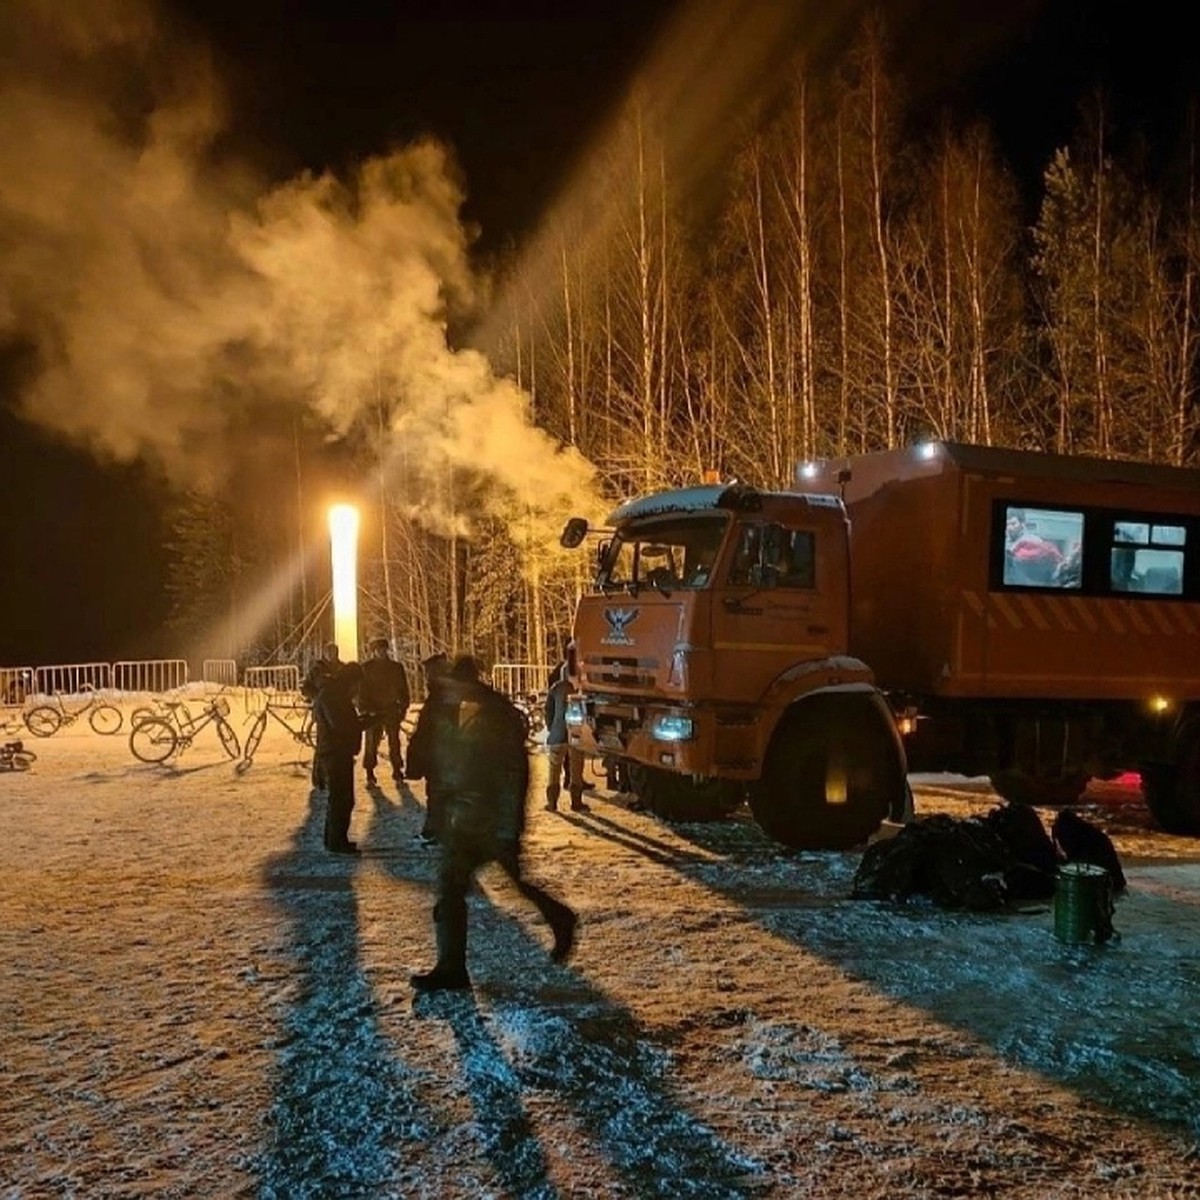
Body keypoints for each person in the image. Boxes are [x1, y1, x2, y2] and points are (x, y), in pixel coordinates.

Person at [410, 655, 577, 992]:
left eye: (454, 687)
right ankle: (451, 968)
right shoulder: (453, 709)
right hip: (464, 820)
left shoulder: (497, 715)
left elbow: (512, 775)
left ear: (469, 684)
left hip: (489, 820)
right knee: (451, 889)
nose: (449, 692)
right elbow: (445, 765)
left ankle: (560, 916)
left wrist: (506, 825)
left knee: (514, 882)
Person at [312, 661, 366, 855]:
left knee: (341, 799)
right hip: (335, 753)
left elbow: (345, 723)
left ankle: (335, 840)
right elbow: (342, 726)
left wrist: (364, 721)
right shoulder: (333, 697)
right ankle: (336, 842)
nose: (357, 690)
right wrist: (363, 723)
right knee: (341, 799)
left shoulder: (333, 695)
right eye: (357, 684)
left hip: (335, 752)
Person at [406, 652, 451, 844]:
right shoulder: (446, 693)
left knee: (437, 794)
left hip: (441, 753)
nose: (426, 677)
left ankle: (435, 831)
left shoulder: (441, 695)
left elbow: (432, 726)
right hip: (443, 752)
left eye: (428, 673)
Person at [359, 637, 411, 787]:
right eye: (378, 650)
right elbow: (362, 691)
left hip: (391, 709)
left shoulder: (396, 668)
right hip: (373, 710)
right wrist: (365, 709)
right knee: (371, 743)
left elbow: (403, 689)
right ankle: (370, 773)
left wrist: (403, 707)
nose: (381, 652)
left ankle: (397, 770)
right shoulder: (366, 668)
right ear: (373, 651)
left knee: (394, 742)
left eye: (383, 649)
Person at [543, 661, 587, 813]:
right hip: (575, 734)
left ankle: (552, 802)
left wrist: (551, 728)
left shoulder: (555, 689)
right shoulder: (580, 690)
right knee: (576, 770)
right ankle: (576, 802)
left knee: (554, 769)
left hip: (557, 734)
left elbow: (548, 710)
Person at [301, 641, 341, 791]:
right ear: (324, 654)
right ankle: (319, 778)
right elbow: (306, 687)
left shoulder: (341, 669)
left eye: (334, 652)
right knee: (322, 745)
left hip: (338, 712)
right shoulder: (317, 670)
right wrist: (317, 697)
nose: (332, 655)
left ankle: (333, 776)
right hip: (322, 712)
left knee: (336, 746)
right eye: (329, 653)